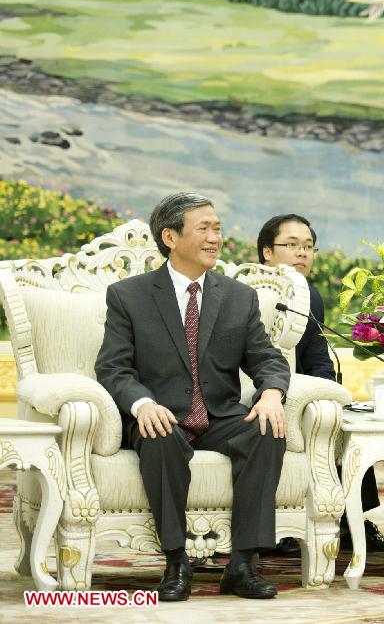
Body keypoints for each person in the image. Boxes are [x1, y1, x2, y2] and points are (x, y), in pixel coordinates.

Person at [95, 192, 290, 601]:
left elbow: (266, 359)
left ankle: (242, 563)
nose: (215, 238)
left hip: (219, 416)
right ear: (170, 236)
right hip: (159, 415)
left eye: (217, 228)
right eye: (203, 229)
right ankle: (176, 561)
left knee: (266, 430)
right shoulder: (129, 296)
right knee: (159, 435)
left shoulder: (239, 297)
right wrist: (142, 404)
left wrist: (271, 393)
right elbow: (114, 367)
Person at [257, 213, 384, 553]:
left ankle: (353, 519)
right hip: (260, 393)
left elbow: (318, 358)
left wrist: (334, 397)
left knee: (340, 417)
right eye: (291, 245)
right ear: (266, 252)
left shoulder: (310, 297)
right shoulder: (246, 293)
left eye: (308, 247)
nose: (302, 253)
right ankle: (276, 524)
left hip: (301, 392)